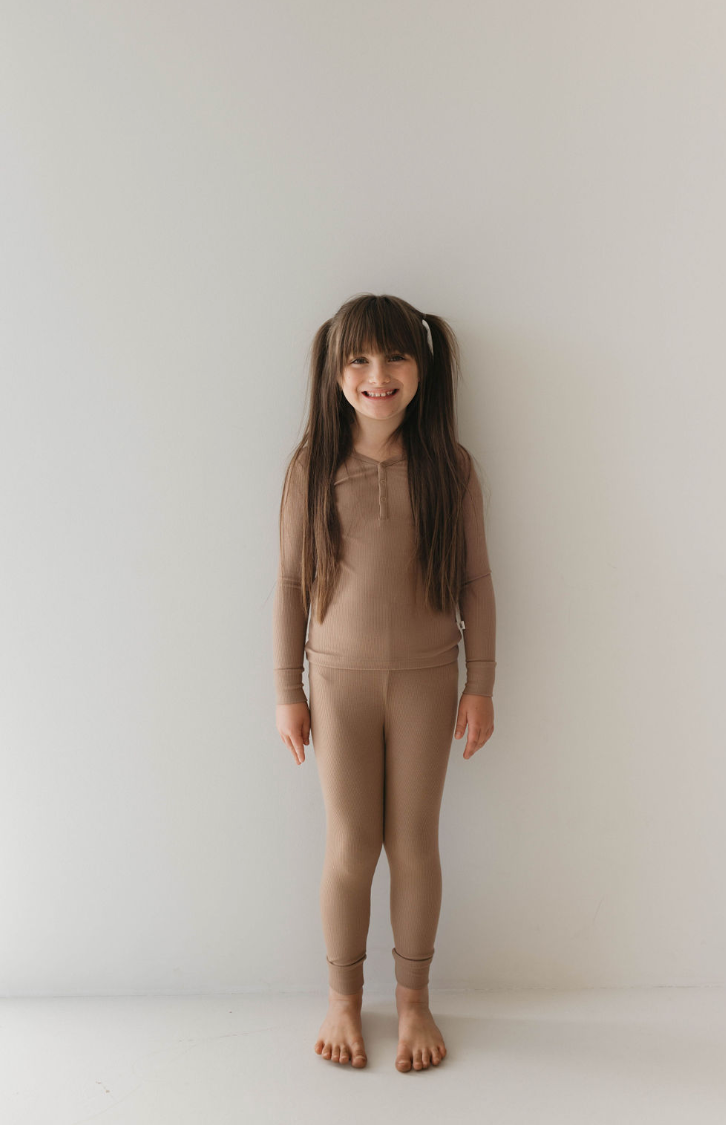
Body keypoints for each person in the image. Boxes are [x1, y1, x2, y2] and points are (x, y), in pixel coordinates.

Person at [272, 293, 496, 1072]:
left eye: (396, 357)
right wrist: (287, 691)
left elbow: (476, 582)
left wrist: (482, 683)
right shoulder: (312, 467)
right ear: (335, 372)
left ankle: (413, 1001)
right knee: (351, 844)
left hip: (431, 680)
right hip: (336, 685)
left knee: (414, 843)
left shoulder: (452, 469)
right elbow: (290, 584)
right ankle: (342, 998)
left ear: (423, 368)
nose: (377, 375)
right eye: (359, 359)